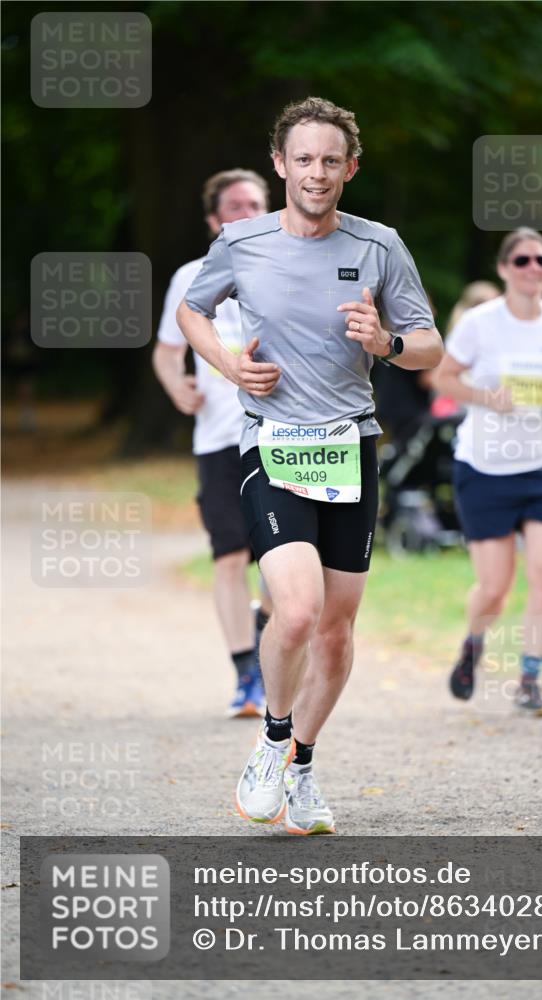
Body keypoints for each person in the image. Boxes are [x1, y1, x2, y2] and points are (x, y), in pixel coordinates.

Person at [177, 96, 443, 834]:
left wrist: (385, 340)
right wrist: (230, 366)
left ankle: (302, 766)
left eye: (331, 160)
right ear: (279, 164)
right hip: (274, 443)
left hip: (351, 445)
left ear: (350, 167)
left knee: (335, 627)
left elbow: (429, 348)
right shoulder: (241, 241)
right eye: (303, 159)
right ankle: (271, 740)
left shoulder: (379, 245)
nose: (316, 172)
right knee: (295, 610)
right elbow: (191, 312)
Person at [434, 227, 542, 716]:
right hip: (485, 467)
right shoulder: (481, 323)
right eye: (522, 260)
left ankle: (529, 678)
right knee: (495, 587)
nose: (534, 268)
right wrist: (486, 398)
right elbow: (442, 377)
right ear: (504, 269)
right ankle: (474, 643)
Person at [153, 169, 272, 719]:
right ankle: (247, 673)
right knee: (229, 558)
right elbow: (166, 351)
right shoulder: (190, 277)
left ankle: (267, 636)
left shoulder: (289, 263)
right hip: (221, 441)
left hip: (282, 434)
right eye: (233, 206)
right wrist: (178, 387)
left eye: (255, 203)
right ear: (212, 219)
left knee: (281, 563)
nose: (245, 213)